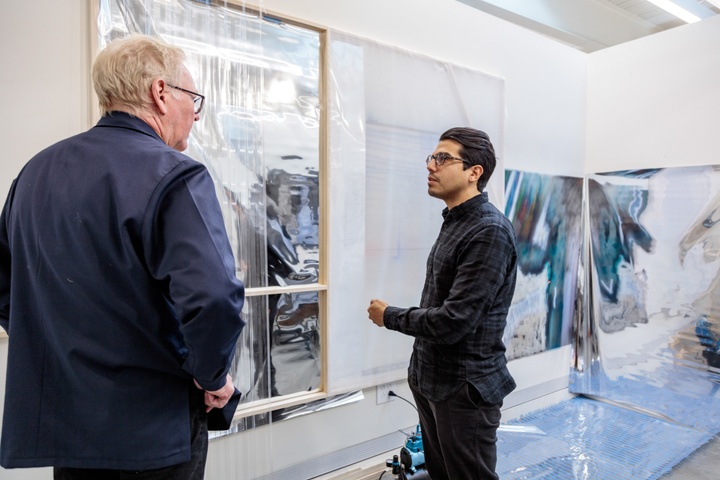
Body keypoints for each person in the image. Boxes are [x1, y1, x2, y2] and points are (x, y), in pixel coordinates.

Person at [0, 34, 245, 479]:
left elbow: (4, 290)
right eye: (194, 99)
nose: (194, 113)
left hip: (68, 429)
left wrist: (62, 346)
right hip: (152, 432)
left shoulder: (33, 174)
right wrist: (212, 377)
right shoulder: (175, 175)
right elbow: (213, 299)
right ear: (160, 92)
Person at [368, 127, 517, 480]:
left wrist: (389, 316)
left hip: (465, 389)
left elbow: (455, 320)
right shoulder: (456, 222)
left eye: (442, 158)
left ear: (474, 172)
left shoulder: (488, 231)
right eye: (431, 158)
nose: (431, 166)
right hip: (431, 379)